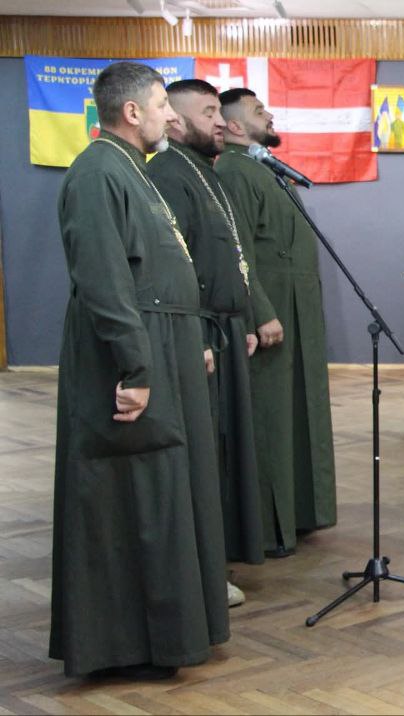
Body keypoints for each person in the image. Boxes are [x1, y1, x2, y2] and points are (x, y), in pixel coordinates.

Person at [50, 61, 227, 679]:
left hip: (164, 345)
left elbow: (156, 270)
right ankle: (126, 643)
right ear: (131, 112)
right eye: (160, 105)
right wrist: (137, 366)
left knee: (166, 489)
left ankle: (172, 633)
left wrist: (189, 337)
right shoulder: (97, 172)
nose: (170, 116)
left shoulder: (132, 169)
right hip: (131, 355)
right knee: (136, 494)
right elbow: (104, 280)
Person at [148, 79, 263, 607]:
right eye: (209, 112)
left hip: (225, 330)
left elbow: (227, 257)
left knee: (223, 455)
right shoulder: (170, 175)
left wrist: (244, 318)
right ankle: (202, 573)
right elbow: (176, 266)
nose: (221, 122)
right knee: (203, 457)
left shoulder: (203, 171)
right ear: (175, 119)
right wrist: (198, 336)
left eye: (220, 112)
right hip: (201, 334)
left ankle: (218, 560)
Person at [217, 87, 337, 558]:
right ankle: (268, 526)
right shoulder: (233, 171)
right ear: (233, 125)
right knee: (270, 416)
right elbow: (239, 250)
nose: (269, 115)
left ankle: (298, 512)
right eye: (257, 110)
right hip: (273, 310)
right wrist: (261, 310)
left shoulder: (261, 166)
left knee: (297, 413)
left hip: (295, 307)